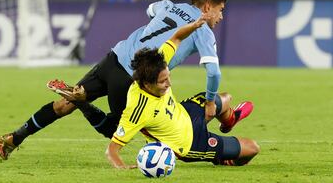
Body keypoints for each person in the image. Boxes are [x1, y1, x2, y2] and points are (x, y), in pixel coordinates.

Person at [0, 0, 228, 160]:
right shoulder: (202, 29)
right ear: (207, 6)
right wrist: (209, 102)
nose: (220, 17)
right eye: (220, 10)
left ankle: (15, 137)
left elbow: (150, 10)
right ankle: (82, 101)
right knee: (116, 131)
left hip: (114, 57)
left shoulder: (168, 6)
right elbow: (214, 72)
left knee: (62, 106)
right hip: (133, 78)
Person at [106, 14, 259, 168]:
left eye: (168, 77)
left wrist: (194, 25)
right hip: (188, 143)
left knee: (225, 98)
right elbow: (112, 150)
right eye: (163, 81)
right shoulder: (137, 109)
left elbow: (177, 37)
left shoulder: (158, 62)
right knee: (252, 148)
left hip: (186, 112)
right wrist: (122, 166)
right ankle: (224, 159)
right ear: (146, 83)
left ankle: (230, 119)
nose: (169, 83)